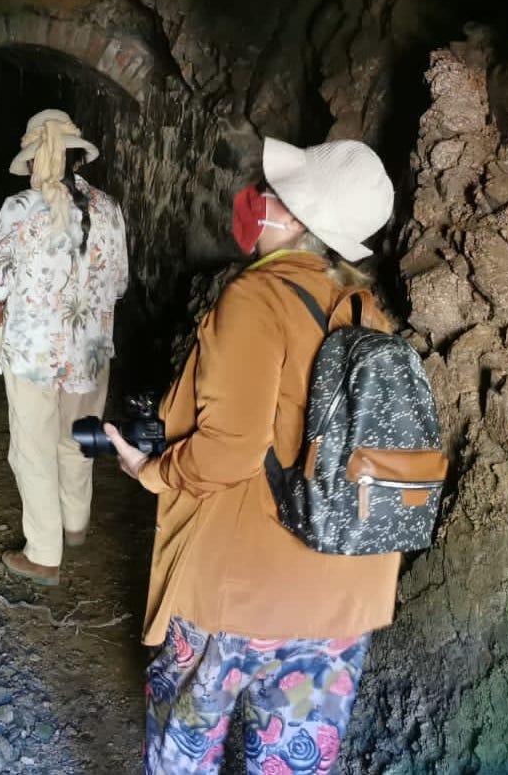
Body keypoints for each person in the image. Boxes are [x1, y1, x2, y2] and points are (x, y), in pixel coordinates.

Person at [104, 137, 398, 774]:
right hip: (343, 599)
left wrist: (151, 470)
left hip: (238, 593)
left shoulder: (255, 300)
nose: (256, 201)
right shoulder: (369, 313)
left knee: (184, 750)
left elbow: (228, 453)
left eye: (272, 193)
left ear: (296, 219)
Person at [0, 109, 128, 587]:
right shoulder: (109, 208)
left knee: (33, 450)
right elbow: (119, 284)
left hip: (33, 356)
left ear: (36, 158)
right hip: (93, 354)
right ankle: (75, 526)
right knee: (79, 440)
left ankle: (44, 553)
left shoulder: (18, 209)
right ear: (77, 157)